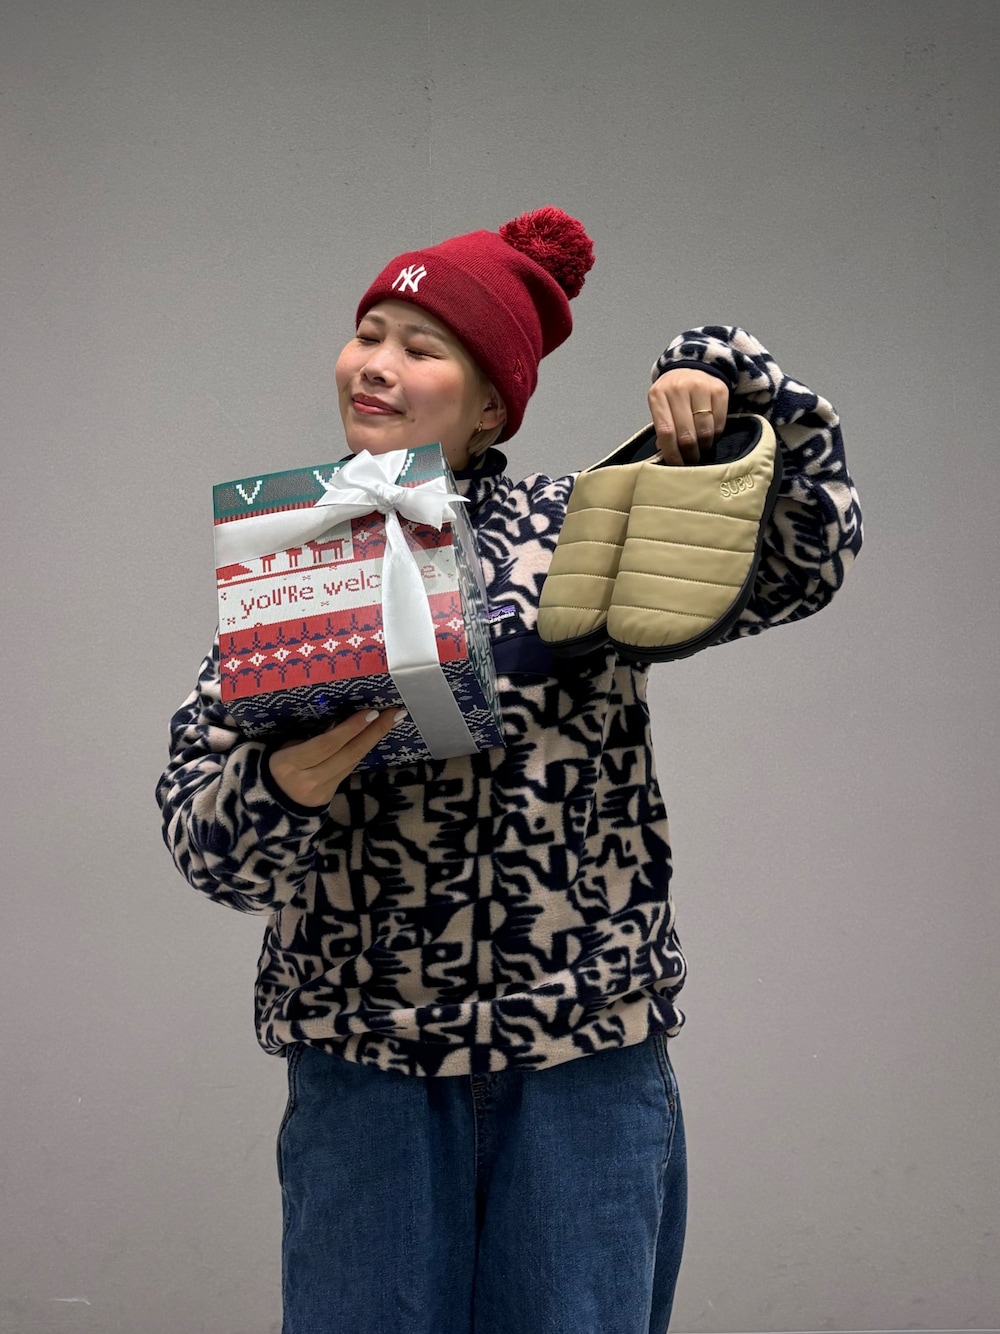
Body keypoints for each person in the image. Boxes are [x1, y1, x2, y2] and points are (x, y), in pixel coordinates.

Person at [156, 206, 863, 1334]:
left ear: (491, 404)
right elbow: (208, 847)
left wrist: (735, 392)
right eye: (367, 333)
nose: (376, 363)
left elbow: (803, 559)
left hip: (582, 1057)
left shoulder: (579, 525)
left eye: (421, 346)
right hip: (367, 1064)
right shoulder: (290, 559)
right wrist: (286, 785)